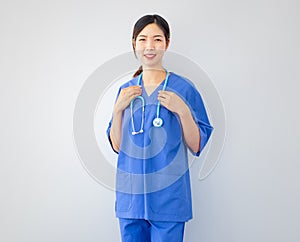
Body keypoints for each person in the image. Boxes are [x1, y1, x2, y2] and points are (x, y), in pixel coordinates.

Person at [107, 14, 213, 242]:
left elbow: (197, 144)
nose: (150, 46)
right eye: (143, 39)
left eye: (157, 39)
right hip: (131, 197)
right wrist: (118, 110)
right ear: (134, 43)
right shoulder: (125, 91)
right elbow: (117, 146)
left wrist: (183, 111)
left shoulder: (183, 88)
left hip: (169, 196)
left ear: (167, 43)